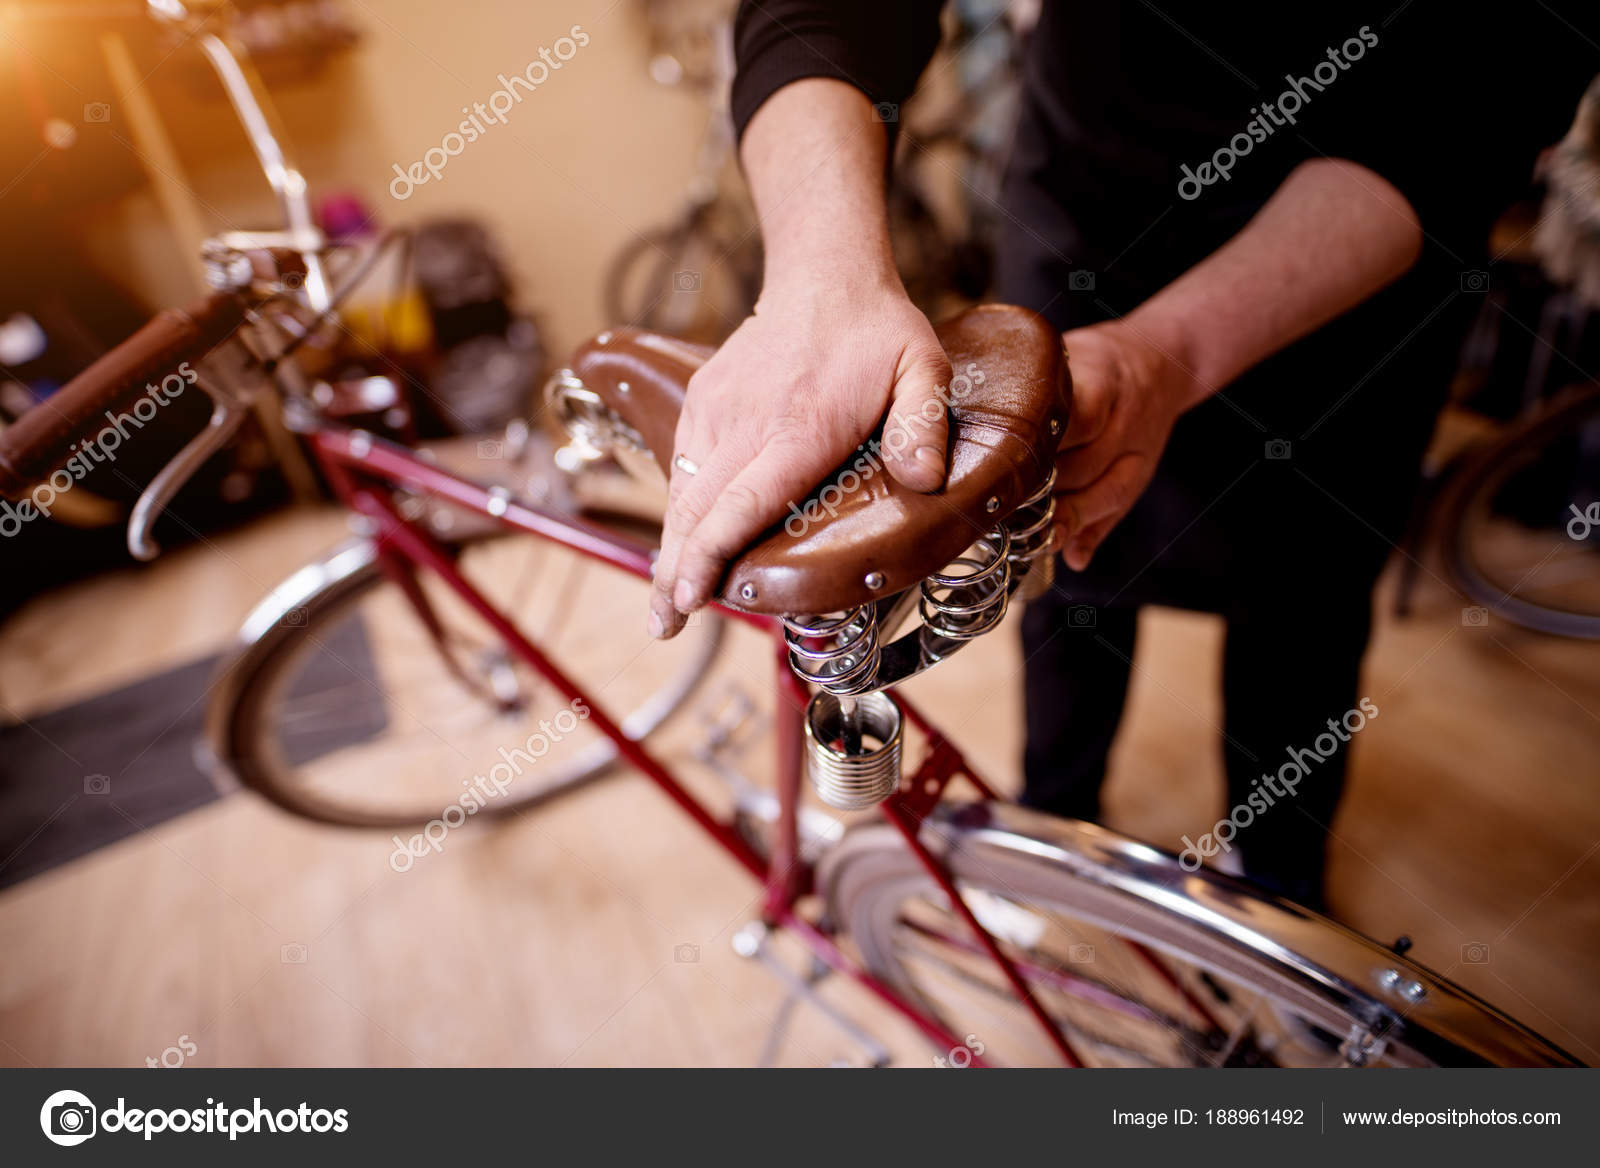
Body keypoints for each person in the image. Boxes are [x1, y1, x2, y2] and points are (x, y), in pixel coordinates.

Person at [644, 1, 1596, 910]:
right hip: (1094, 192)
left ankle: (1281, 876)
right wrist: (822, 272)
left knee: (1306, 584)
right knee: (1060, 547)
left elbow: (1464, 118)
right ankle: (1055, 820)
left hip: (1357, 258)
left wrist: (1170, 354)